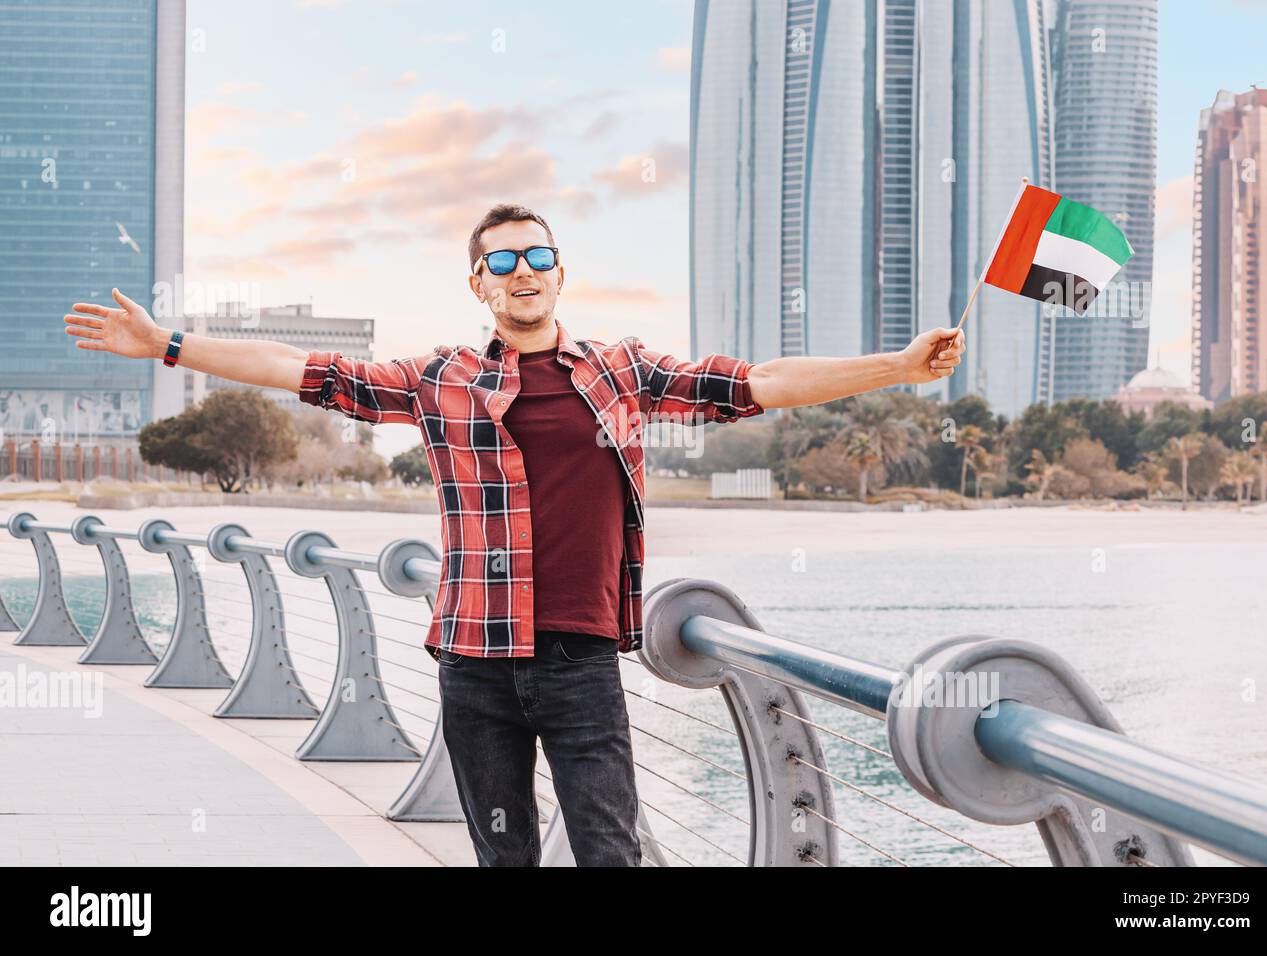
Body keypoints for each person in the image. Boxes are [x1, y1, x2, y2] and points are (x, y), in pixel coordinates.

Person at [63, 202, 965, 866]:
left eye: (538, 256)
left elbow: (757, 382)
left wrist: (895, 366)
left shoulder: (622, 370)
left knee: (610, 857)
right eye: (503, 262)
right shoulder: (438, 380)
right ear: (478, 283)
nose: (522, 272)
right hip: (474, 662)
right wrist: (172, 347)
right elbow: (304, 370)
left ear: (560, 272)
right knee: (505, 861)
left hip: (580, 665)